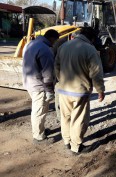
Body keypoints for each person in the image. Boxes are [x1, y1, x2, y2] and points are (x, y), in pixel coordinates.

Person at [54, 27, 105, 155]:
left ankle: (66, 141)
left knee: (65, 117)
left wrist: (61, 81)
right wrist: (100, 90)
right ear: (92, 38)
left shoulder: (64, 46)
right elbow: (96, 72)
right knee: (79, 119)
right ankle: (76, 147)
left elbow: (56, 66)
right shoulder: (90, 49)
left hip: (63, 89)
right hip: (80, 91)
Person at [22, 29, 59, 144]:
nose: (55, 43)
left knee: (38, 109)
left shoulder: (31, 44)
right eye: (55, 41)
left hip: (29, 82)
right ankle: (38, 137)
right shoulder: (45, 50)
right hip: (39, 86)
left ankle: (40, 130)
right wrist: (49, 91)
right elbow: (47, 73)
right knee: (39, 111)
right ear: (52, 38)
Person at [52, 31, 80, 121]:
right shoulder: (60, 44)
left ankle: (64, 118)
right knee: (60, 99)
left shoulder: (64, 45)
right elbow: (56, 64)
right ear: (72, 37)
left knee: (63, 100)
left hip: (65, 79)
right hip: (63, 79)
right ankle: (62, 118)